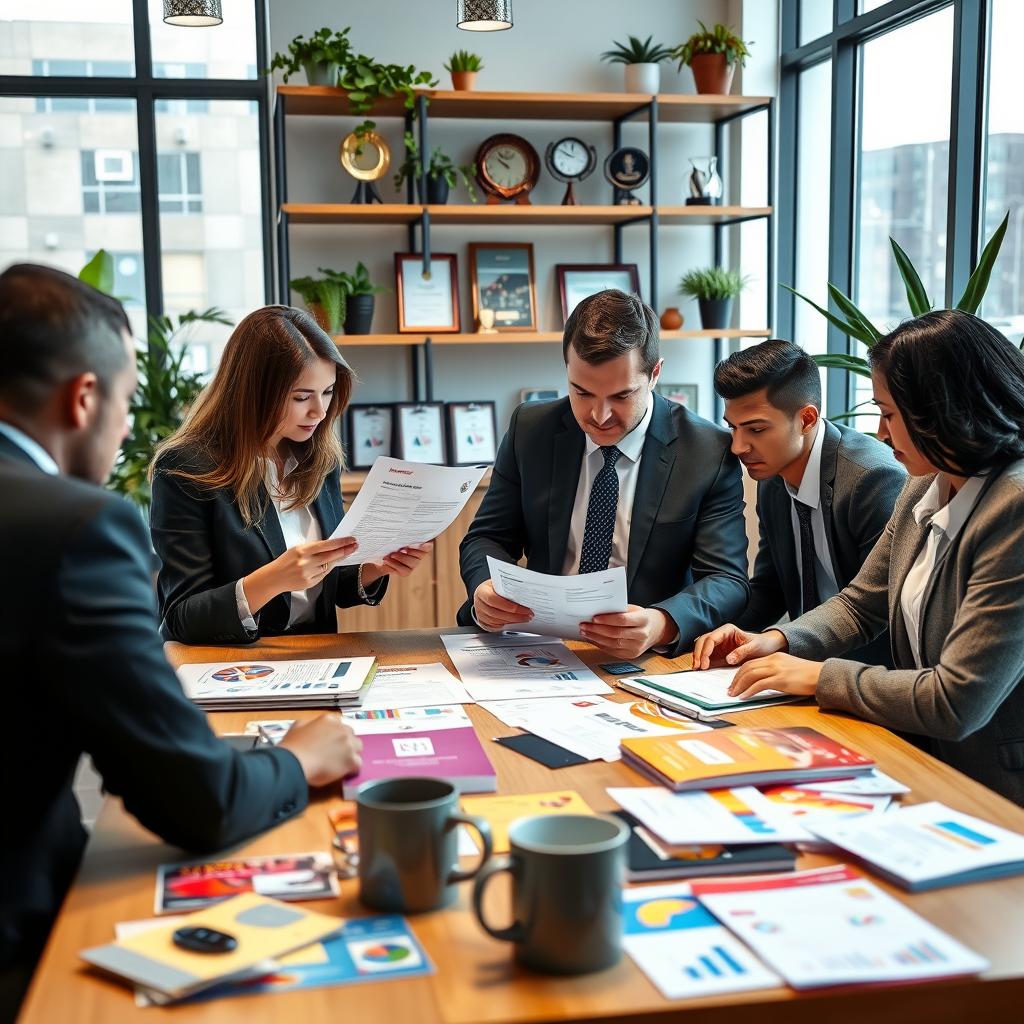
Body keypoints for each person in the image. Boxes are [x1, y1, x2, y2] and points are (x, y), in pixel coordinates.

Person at [0, 265, 363, 1015]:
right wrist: (297, 757)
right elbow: (193, 796)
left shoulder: (317, 461)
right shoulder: (78, 527)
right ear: (84, 398)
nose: (130, 425)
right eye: (128, 400)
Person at [693, 310, 1024, 805]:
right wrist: (778, 640)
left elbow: (958, 700)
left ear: (944, 411)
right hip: (921, 756)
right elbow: (861, 603)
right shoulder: (923, 486)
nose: (880, 431)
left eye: (889, 414)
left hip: (994, 783)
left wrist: (818, 676)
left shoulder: (1013, 507)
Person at [458, 289, 749, 659]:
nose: (599, 416)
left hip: (646, 656)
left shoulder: (706, 450)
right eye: (581, 392)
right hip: (538, 645)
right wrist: (484, 587)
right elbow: (486, 537)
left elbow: (727, 579)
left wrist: (661, 622)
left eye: (621, 396)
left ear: (655, 374)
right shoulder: (531, 429)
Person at [150, 306, 431, 645]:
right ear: (254, 392)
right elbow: (181, 617)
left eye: (327, 392)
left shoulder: (318, 459)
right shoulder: (187, 467)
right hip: (233, 665)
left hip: (316, 658)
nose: (320, 411)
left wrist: (376, 567)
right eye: (301, 397)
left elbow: (329, 583)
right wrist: (271, 580)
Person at [714, 339, 904, 664]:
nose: (738, 447)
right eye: (733, 428)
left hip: (868, 675)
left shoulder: (871, 480)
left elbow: (875, 611)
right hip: (803, 664)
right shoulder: (773, 477)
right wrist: (713, 632)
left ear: (806, 419)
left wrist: (790, 651)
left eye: (756, 429)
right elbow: (771, 587)